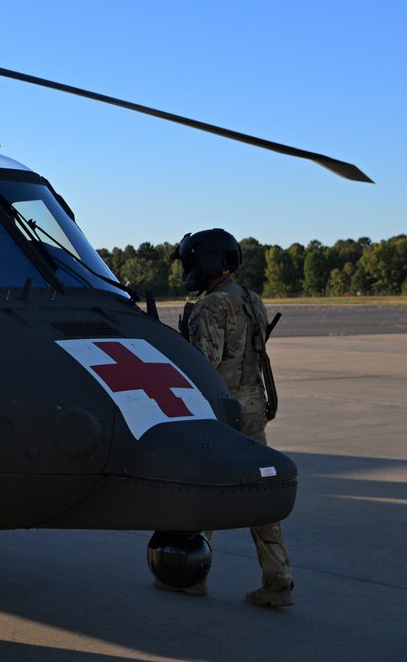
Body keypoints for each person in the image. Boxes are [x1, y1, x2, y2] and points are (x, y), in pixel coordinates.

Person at [170, 228, 294, 608]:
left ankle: (191, 577)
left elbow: (204, 366)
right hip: (253, 407)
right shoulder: (249, 298)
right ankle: (278, 581)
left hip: (220, 410)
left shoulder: (211, 306)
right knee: (261, 496)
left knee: (202, 490)